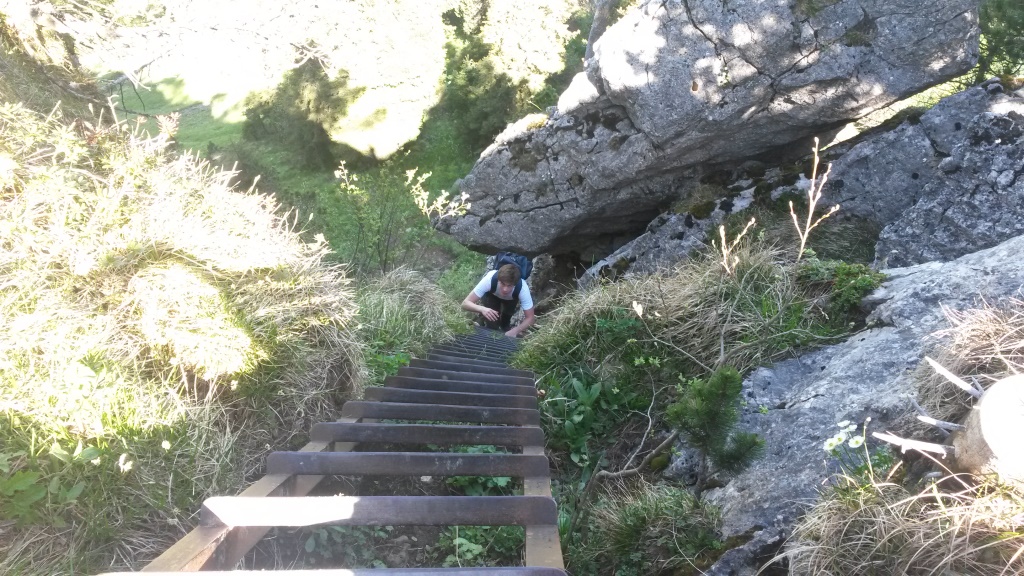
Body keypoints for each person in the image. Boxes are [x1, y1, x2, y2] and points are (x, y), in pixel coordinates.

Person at [462, 263, 535, 338]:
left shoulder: (522, 289)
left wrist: (515, 331)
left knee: (505, 322)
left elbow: (530, 318)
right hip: (492, 296)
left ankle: (504, 328)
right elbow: (465, 303)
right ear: (498, 280)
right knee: (492, 323)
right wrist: (482, 309)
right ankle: (482, 321)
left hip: (511, 300)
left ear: (515, 284)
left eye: (509, 285)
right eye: (502, 284)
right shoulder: (489, 279)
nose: (505, 289)